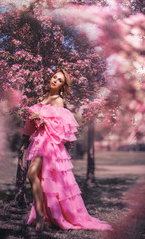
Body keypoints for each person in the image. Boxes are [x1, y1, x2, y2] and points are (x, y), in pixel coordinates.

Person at [22, 68, 112, 232]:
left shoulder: (58, 101)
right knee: (38, 178)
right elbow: (34, 125)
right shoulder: (43, 97)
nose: (55, 80)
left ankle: (42, 218)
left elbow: (61, 130)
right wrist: (33, 118)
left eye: (59, 80)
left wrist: (41, 120)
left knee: (32, 174)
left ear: (62, 86)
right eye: (54, 77)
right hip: (38, 142)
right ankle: (43, 215)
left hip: (49, 145)